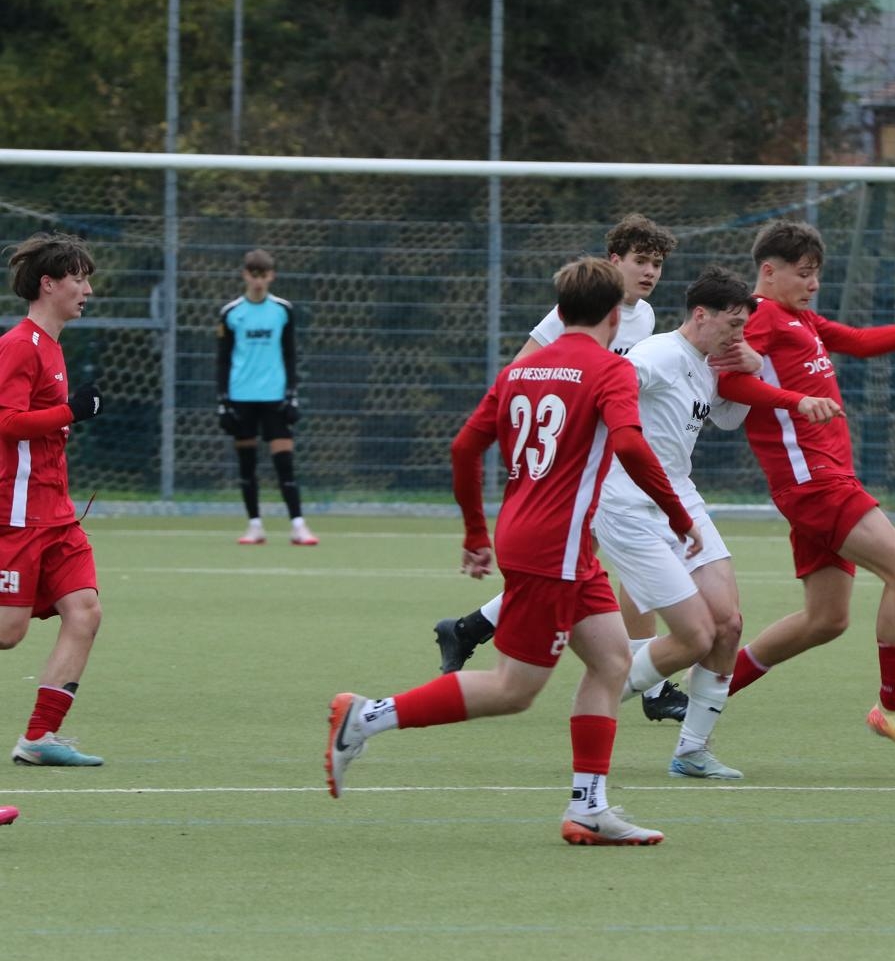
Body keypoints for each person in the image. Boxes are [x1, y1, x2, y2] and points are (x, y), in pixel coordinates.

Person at [326, 256, 701, 846]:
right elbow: (630, 444)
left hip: (547, 540)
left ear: (561, 311)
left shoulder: (520, 369)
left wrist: (476, 533)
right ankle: (367, 716)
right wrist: (678, 515)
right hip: (554, 548)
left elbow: (463, 448)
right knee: (513, 689)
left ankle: (588, 807)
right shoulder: (611, 369)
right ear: (614, 314)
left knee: (611, 662)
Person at [716, 219, 895, 764]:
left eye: (817, 274)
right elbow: (730, 382)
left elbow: (858, 342)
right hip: (814, 481)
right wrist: (796, 401)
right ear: (769, 271)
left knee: (826, 619)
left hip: (825, 479)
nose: (813, 284)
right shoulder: (760, 316)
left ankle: (704, 693)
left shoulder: (801, 318)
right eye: (803, 273)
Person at [431, 214, 689, 720]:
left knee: (580, 563)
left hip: (606, 452)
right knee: (619, 556)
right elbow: (522, 371)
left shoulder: (645, 317)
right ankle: (652, 686)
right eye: (640, 261)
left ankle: (471, 628)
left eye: (657, 264)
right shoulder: (574, 314)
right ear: (613, 261)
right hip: (575, 454)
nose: (650, 272)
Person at [590, 266, 841, 779]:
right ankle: (600, 694)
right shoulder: (658, 355)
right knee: (696, 635)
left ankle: (691, 751)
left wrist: (753, 368)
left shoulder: (710, 363)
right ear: (701, 315)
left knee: (728, 625)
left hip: (680, 496)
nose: (739, 336)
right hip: (628, 505)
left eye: (743, 327)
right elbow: (606, 391)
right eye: (733, 325)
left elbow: (726, 417)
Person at [1, 233, 108, 768]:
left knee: (85, 611)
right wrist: (72, 412)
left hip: (56, 515)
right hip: (17, 515)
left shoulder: (52, 345)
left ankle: (39, 738)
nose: (87, 290)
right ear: (48, 284)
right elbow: (7, 422)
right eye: (78, 279)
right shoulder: (20, 345)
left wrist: (67, 415)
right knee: (7, 633)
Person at [216, 248, 318, 546]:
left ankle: (298, 525)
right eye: (253, 274)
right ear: (245, 275)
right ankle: (255, 525)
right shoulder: (231, 312)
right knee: (247, 465)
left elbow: (290, 354)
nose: (258, 281)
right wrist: (223, 401)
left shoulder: (283, 310)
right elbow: (223, 359)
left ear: (271, 276)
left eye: (263, 275)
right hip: (241, 397)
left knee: (284, 463)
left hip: (274, 397)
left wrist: (292, 394)